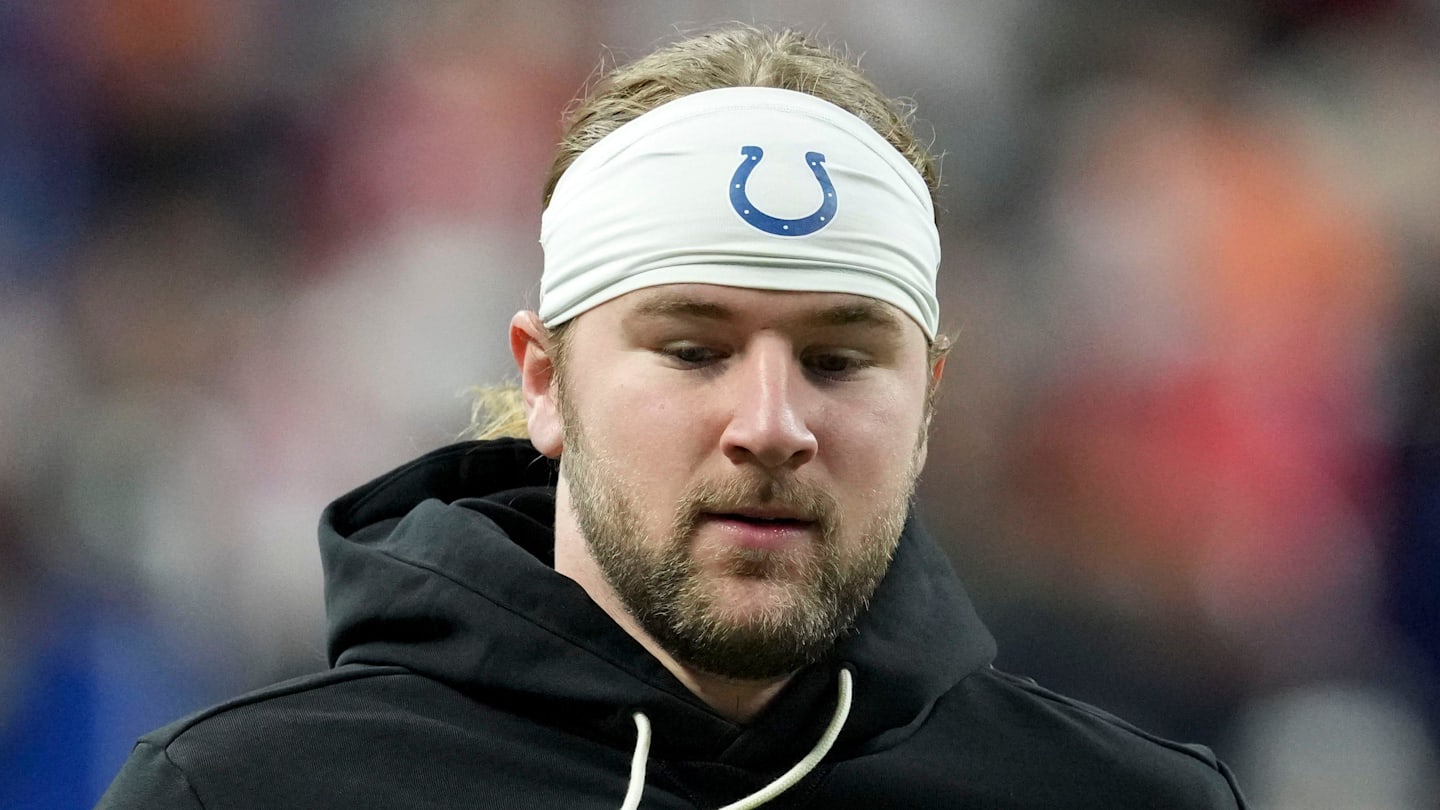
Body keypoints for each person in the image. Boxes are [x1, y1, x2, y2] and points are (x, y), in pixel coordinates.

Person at [97, 25, 1248, 809]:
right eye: (693, 350)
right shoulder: (249, 794)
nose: (770, 422)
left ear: (930, 402)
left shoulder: (1120, 799)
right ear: (545, 382)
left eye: (841, 359)